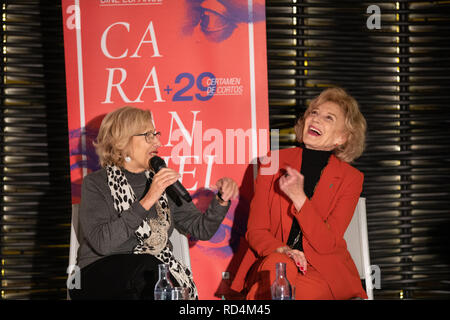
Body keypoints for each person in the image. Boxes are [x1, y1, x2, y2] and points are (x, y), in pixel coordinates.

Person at [68, 106, 238, 300]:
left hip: (147, 276)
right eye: (148, 135)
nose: (157, 141)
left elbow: (201, 229)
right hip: (97, 276)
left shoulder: (162, 180)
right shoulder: (96, 183)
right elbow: (103, 244)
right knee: (151, 270)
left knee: (157, 275)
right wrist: (149, 198)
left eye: (156, 134)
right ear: (123, 141)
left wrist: (221, 200)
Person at [230, 87, 368, 299]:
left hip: (320, 269)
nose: (316, 119)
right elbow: (256, 230)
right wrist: (285, 251)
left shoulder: (351, 178)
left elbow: (326, 243)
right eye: (313, 113)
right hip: (275, 256)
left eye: (328, 118)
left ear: (342, 137)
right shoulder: (271, 162)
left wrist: (299, 198)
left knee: (292, 291)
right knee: (280, 267)